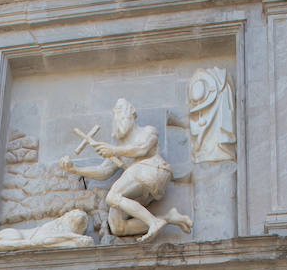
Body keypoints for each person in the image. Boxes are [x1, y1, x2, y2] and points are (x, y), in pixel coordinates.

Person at [59, 98, 192, 243]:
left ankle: (153, 222)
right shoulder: (119, 146)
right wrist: (75, 169)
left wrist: (114, 150)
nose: (118, 119)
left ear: (131, 115)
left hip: (154, 170)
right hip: (138, 181)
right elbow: (103, 172)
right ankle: (168, 218)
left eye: (121, 114)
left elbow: (142, 149)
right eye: (116, 117)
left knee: (112, 196)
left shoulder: (147, 131)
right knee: (118, 226)